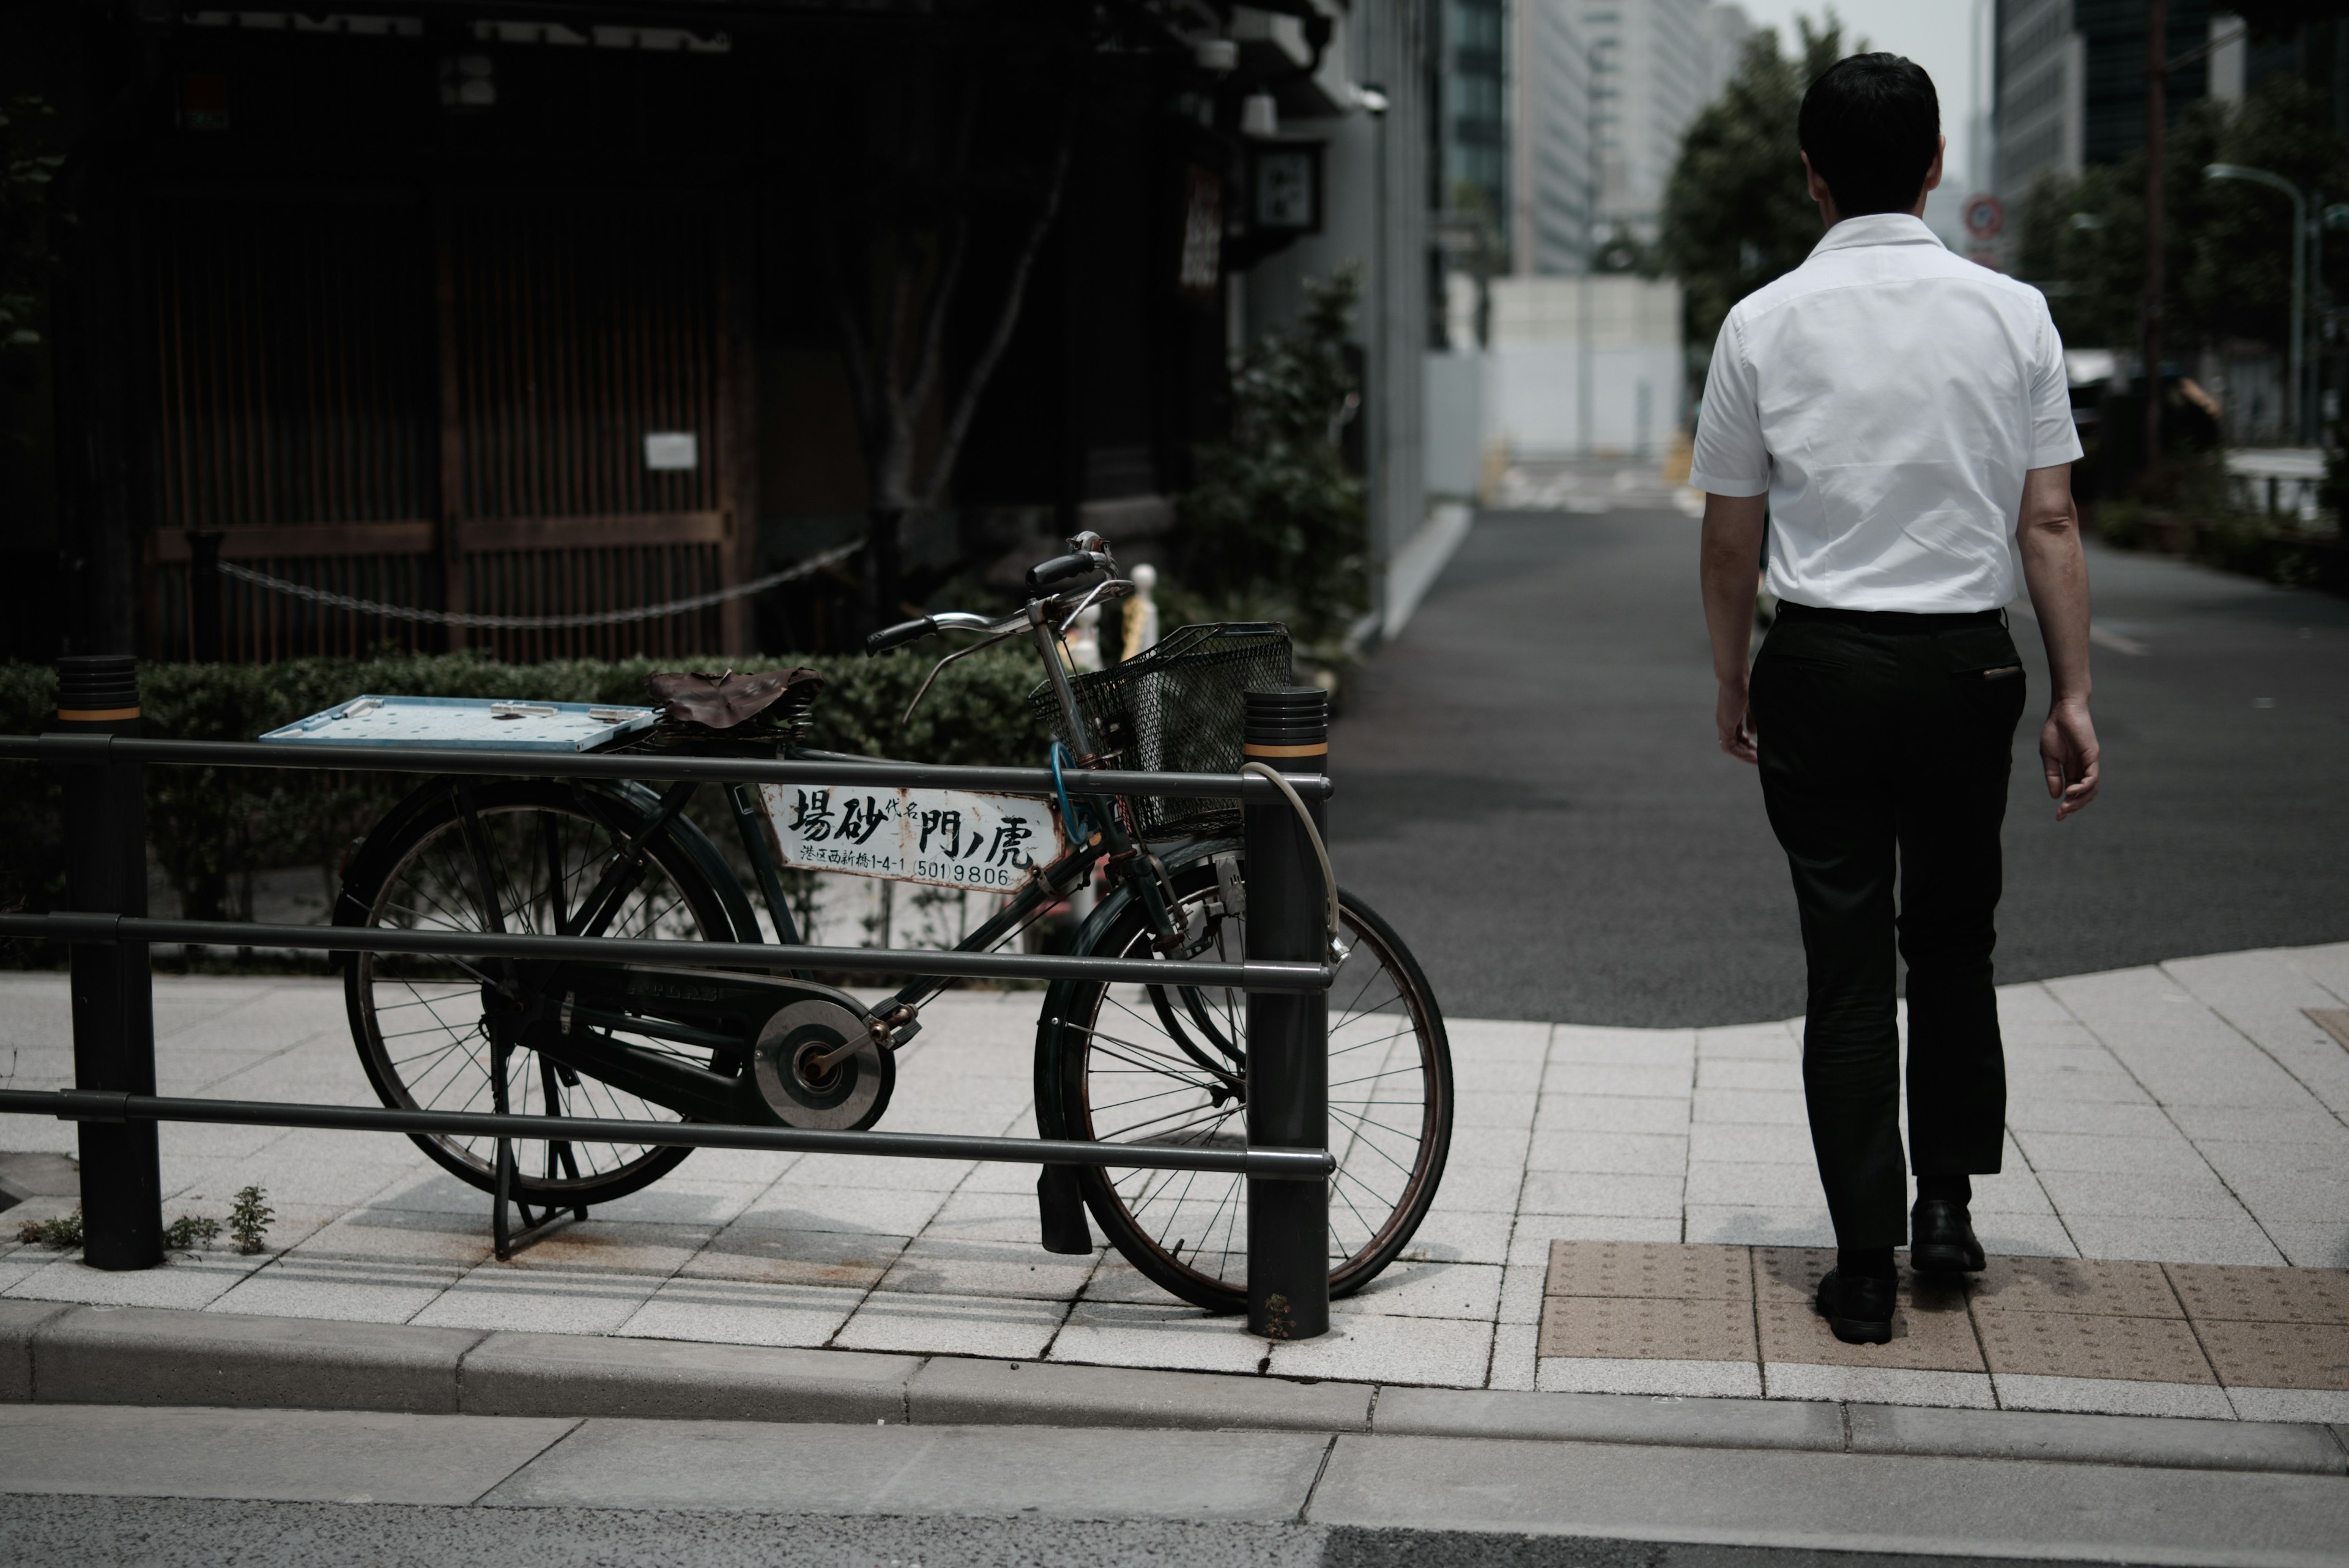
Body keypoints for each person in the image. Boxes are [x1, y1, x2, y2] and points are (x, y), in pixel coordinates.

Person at [1690, 53, 2100, 1345]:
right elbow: (2050, 518)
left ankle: (1861, 1266)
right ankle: (1947, 1209)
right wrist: (2074, 691)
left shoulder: (1762, 323)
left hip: (1821, 662)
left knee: (1848, 962)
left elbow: (1728, 537)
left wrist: (1731, 672)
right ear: (1934, 167)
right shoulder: (2013, 314)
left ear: (1811, 174)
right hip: (1966, 665)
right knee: (1957, 938)